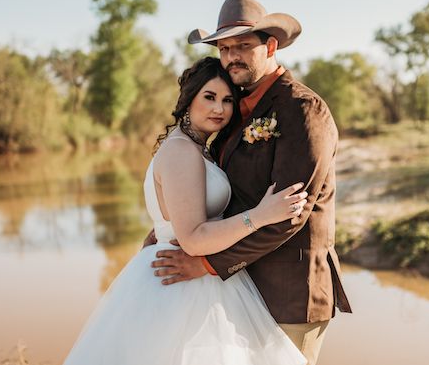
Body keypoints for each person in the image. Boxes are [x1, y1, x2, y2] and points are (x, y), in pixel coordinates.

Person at [147, 0, 352, 365]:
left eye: (243, 45)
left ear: (270, 46)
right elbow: (211, 197)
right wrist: (160, 237)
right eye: (224, 49)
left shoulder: (302, 110)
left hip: (290, 294)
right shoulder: (231, 112)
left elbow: (290, 215)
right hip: (237, 290)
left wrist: (206, 265)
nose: (231, 57)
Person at [62, 57, 308, 365]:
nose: (219, 109)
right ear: (188, 99)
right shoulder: (181, 151)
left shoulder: (195, 148)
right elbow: (192, 239)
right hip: (184, 282)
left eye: (227, 100)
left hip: (196, 276)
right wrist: (259, 216)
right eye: (209, 97)